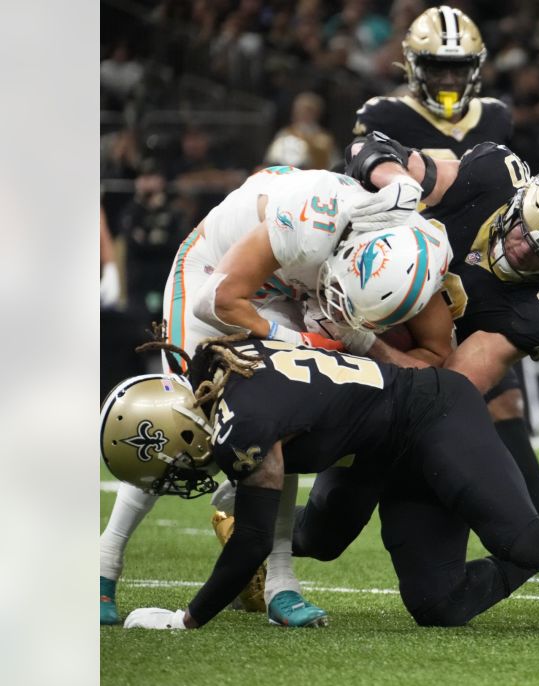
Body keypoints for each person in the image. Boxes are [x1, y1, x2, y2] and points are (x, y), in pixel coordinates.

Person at [101, 336, 539, 633]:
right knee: (430, 602)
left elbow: (250, 546)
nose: (176, 480)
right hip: (376, 447)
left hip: (431, 412)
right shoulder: (218, 361)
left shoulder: (244, 424)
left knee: (521, 537)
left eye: (168, 468)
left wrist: (187, 619)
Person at [99, 164, 443, 627]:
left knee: (283, 421)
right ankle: (104, 565)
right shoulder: (313, 225)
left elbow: (423, 345)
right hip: (215, 278)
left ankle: (281, 581)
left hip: (286, 290)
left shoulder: (408, 242)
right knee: (180, 424)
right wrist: (298, 340)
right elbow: (216, 301)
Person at [341, 135, 539, 523]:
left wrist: (365, 343)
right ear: (519, 201)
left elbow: (445, 391)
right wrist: (397, 183)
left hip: (407, 354)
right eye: (524, 231)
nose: (522, 250)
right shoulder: (492, 177)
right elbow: (369, 147)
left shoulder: (538, 314)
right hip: (352, 280)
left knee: (330, 528)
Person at [352, 5, 512, 162]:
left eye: (459, 69)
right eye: (436, 69)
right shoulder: (384, 116)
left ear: (475, 69)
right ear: (413, 67)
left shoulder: (495, 117)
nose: (449, 80)